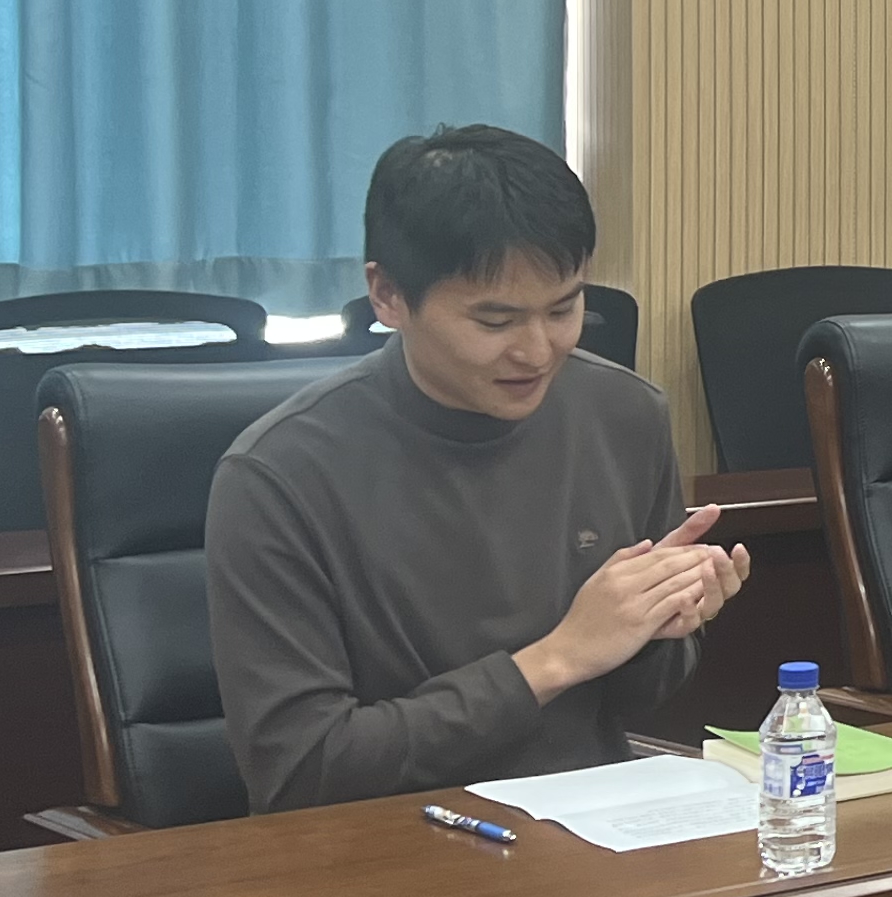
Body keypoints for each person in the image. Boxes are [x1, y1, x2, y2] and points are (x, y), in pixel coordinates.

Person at [210, 126, 746, 812]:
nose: (538, 351)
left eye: (564, 308)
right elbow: (300, 770)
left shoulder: (625, 415)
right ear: (387, 295)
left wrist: (659, 629)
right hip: (385, 846)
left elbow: (638, 701)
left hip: (594, 827)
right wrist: (554, 660)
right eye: (495, 322)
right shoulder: (279, 475)